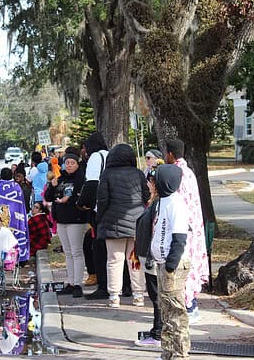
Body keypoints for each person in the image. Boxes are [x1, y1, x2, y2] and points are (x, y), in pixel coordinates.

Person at [96, 143, 149, 307]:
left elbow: (102, 199)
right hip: (136, 224)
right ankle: (139, 294)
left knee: (114, 260)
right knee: (135, 260)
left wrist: (99, 218)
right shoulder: (138, 174)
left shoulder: (107, 174)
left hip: (113, 223)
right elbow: (146, 195)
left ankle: (114, 296)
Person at [164, 138, 208, 323]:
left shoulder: (175, 173)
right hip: (193, 225)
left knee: (182, 265)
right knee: (191, 262)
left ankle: (189, 306)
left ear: (171, 154)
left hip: (183, 227)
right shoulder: (188, 172)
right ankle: (192, 304)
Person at [150, 164, 191, 359]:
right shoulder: (161, 202)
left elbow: (179, 237)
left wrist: (170, 265)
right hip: (161, 262)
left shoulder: (176, 203)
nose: (152, 183)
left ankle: (180, 354)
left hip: (172, 266)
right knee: (166, 311)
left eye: (155, 179)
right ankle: (168, 352)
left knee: (175, 313)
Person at [45, 152, 88, 298]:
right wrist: (52, 186)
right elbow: (48, 197)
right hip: (61, 219)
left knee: (76, 252)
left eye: (72, 163)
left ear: (77, 164)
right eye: (67, 162)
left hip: (76, 219)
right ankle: (70, 282)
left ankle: (78, 284)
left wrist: (68, 199)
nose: (69, 165)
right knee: (68, 252)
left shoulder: (81, 177)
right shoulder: (60, 176)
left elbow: (81, 195)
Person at [77, 132, 110, 300]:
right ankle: (123, 285)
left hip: (100, 210)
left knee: (99, 249)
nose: (84, 151)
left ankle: (103, 285)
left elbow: (91, 184)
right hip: (115, 209)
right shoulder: (110, 155)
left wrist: (82, 204)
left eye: (85, 147)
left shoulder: (96, 158)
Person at [135, 164, 164, 347]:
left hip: (155, 257)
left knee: (157, 296)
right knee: (155, 296)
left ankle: (159, 333)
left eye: (151, 181)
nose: (148, 184)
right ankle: (158, 330)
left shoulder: (161, 204)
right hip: (149, 255)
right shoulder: (155, 202)